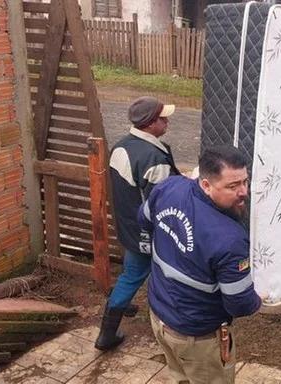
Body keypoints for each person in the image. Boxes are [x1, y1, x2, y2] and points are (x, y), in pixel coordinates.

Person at [139, 146, 262, 383]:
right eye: (232, 186)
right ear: (205, 184)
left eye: (245, 182)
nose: (243, 192)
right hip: (198, 338)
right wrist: (260, 298)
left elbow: (143, 219)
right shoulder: (230, 239)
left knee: (179, 376)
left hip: (160, 318)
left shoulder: (168, 187)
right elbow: (240, 304)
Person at [94, 96, 181, 351]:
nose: (167, 121)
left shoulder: (121, 147)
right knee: (164, 279)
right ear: (150, 123)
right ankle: (172, 332)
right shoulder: (153, 159)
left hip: (128, 227)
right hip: (151, 232)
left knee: (130, 275)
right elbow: (163, 205)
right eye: (162, 118)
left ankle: (108, 331)